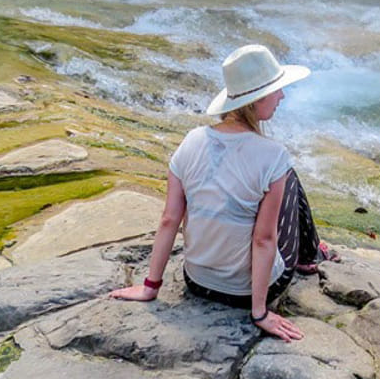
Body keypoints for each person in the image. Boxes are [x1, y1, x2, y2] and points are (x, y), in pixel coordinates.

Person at [110, 44, 335, 342]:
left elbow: (169, 220)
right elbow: (264, 239)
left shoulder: (191, 141)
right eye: (277, 90)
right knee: (287, 176)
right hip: (247, 293)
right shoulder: (273, 155)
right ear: (257, 100)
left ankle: (310, 252)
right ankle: (309, 255)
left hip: (197, 281)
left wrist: (150, 286)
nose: (282, 96)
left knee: (274, 179)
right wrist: (260, 313)